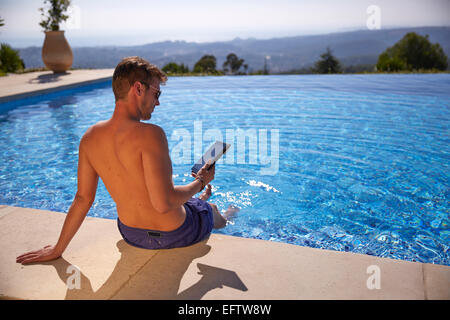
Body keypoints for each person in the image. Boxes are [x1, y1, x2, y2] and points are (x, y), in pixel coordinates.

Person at [16, 56, 238, 265]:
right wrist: (200, 181)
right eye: (156, 94)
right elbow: (163, 203)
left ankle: (199, 198)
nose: (157, 103)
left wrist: (58, 249)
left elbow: (83, 199)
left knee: (189, 199)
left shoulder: (89, 138)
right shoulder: (152, 134)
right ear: (138, 88)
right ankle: (221, 212)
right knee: (211, 210)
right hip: (175, 234)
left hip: (132, 234)